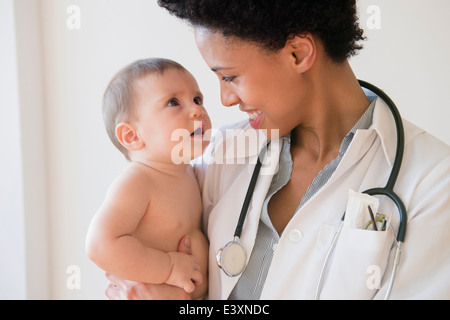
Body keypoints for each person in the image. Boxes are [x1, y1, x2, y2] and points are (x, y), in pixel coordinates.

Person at [106, 1, 450, 299]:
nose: (225, 99)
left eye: (230, 77)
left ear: (297, 53)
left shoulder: (433, 181)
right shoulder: (218, 155)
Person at [86, 58, 211, 300]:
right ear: (132, 136)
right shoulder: (137, 182)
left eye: (197, 99)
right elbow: (100, 245)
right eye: (173, 102)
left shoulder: (191, 172)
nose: (198, 110)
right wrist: (168, 267)